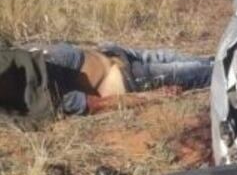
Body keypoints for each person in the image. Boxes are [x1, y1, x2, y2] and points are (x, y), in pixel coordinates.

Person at [0, 41, 213, 118]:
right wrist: (151, 97)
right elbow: (96, 104)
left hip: (118, 54)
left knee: (206, 61)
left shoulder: (16, 58)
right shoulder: (43, 96)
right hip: (127, 78)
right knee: (208, 72)